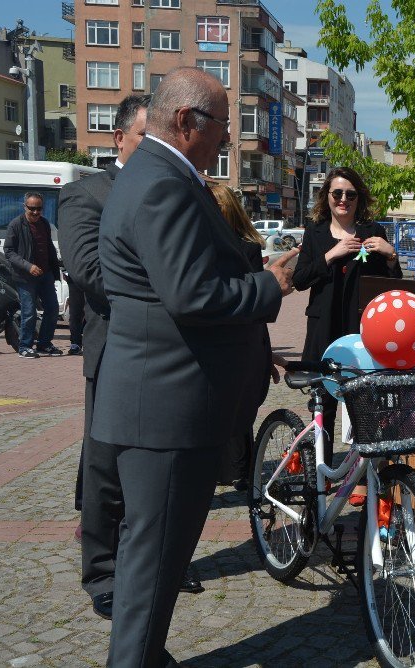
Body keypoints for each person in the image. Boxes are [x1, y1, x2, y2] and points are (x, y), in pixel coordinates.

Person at [91, 67, 295, 667]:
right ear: (187, 122)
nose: (228, 139)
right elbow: (192, 295)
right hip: (166, 411)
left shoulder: (155, 175)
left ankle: (146, 654)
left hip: (162, 405)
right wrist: (267, 285)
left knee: (152, 557)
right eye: (224, 126)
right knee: (154, 562)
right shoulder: (163, 183)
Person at [60, 94, 204, 621]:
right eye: (145, 137)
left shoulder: (182, 187)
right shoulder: (87, 195)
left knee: (159, 478)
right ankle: (102, 571)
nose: (155, 147)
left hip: (173, 357)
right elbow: (88, 271)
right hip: (116, 346)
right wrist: (165, 292)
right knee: (105, 468)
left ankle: (156, 564)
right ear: (119, 138)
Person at [292, 166, 402, 463]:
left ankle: (366, 481)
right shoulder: (315, 233)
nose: (343, 199)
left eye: (350, 194)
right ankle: (321, 475)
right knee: (323, 404)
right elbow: (299, 279)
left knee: (365, 405)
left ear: (358, 198)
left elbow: (391, 287)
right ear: (326, 196)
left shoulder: (372, 232)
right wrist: (331, 254)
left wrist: (391, 254)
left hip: (360, 330)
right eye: (337, 193)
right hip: (324, 327)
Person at [210, 183, 296, 489]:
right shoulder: (209, 243)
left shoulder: (243, 246)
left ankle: (240, 470)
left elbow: (250, 300)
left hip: (244, 335)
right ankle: (231, 470)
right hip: (231, 338)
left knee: (238, 410)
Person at [4, 192, 62, 358]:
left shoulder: (44, 223)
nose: (36, 212)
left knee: (52, 309)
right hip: (25, 277)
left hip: (46, 275)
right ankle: (24, 346)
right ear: (25, 207)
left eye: (39, 208)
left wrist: (56, 266)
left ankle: (44, 344)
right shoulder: (16, 224)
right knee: (29, 312)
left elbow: (48, 247)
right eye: (32, 209)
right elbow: (8, 251)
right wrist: (28, 266)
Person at [65, 275, 84, 356]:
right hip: (75, 277)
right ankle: (75, 344)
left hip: (94, 276)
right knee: (75, 313)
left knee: (94, 314)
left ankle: (95, 344)